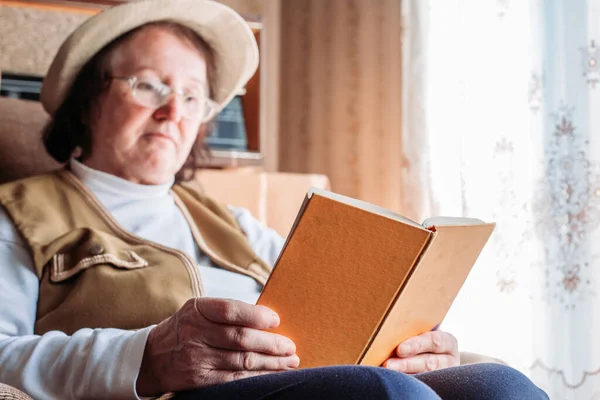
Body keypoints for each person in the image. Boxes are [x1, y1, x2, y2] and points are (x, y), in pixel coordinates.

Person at [0, 0, 548, 399]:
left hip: (302, 383)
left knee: (501, 386)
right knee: (384, 396)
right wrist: (146, 357)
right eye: (148, 85)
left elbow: (336, 315)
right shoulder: (20, 211)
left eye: (193, 95)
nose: (175, 112)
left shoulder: (230, 222)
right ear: (88, 99)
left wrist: (409, 345)